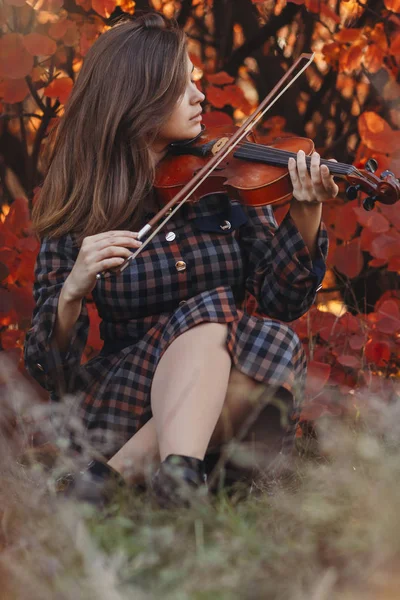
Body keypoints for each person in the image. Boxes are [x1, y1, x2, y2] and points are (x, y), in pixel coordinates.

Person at [24, 12, 338, 507]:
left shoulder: (223, 182)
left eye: (196, 82)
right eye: (181, 86)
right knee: (219, 316)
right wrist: (71, 293)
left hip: (226, 390)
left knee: (250, 334)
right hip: (126, 395)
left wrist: (305, 210)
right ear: (138, 97)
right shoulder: (80, 212)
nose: (199, 96)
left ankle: (126, 477)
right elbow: (50, 372)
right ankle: (161, 473)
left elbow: (283, 301)